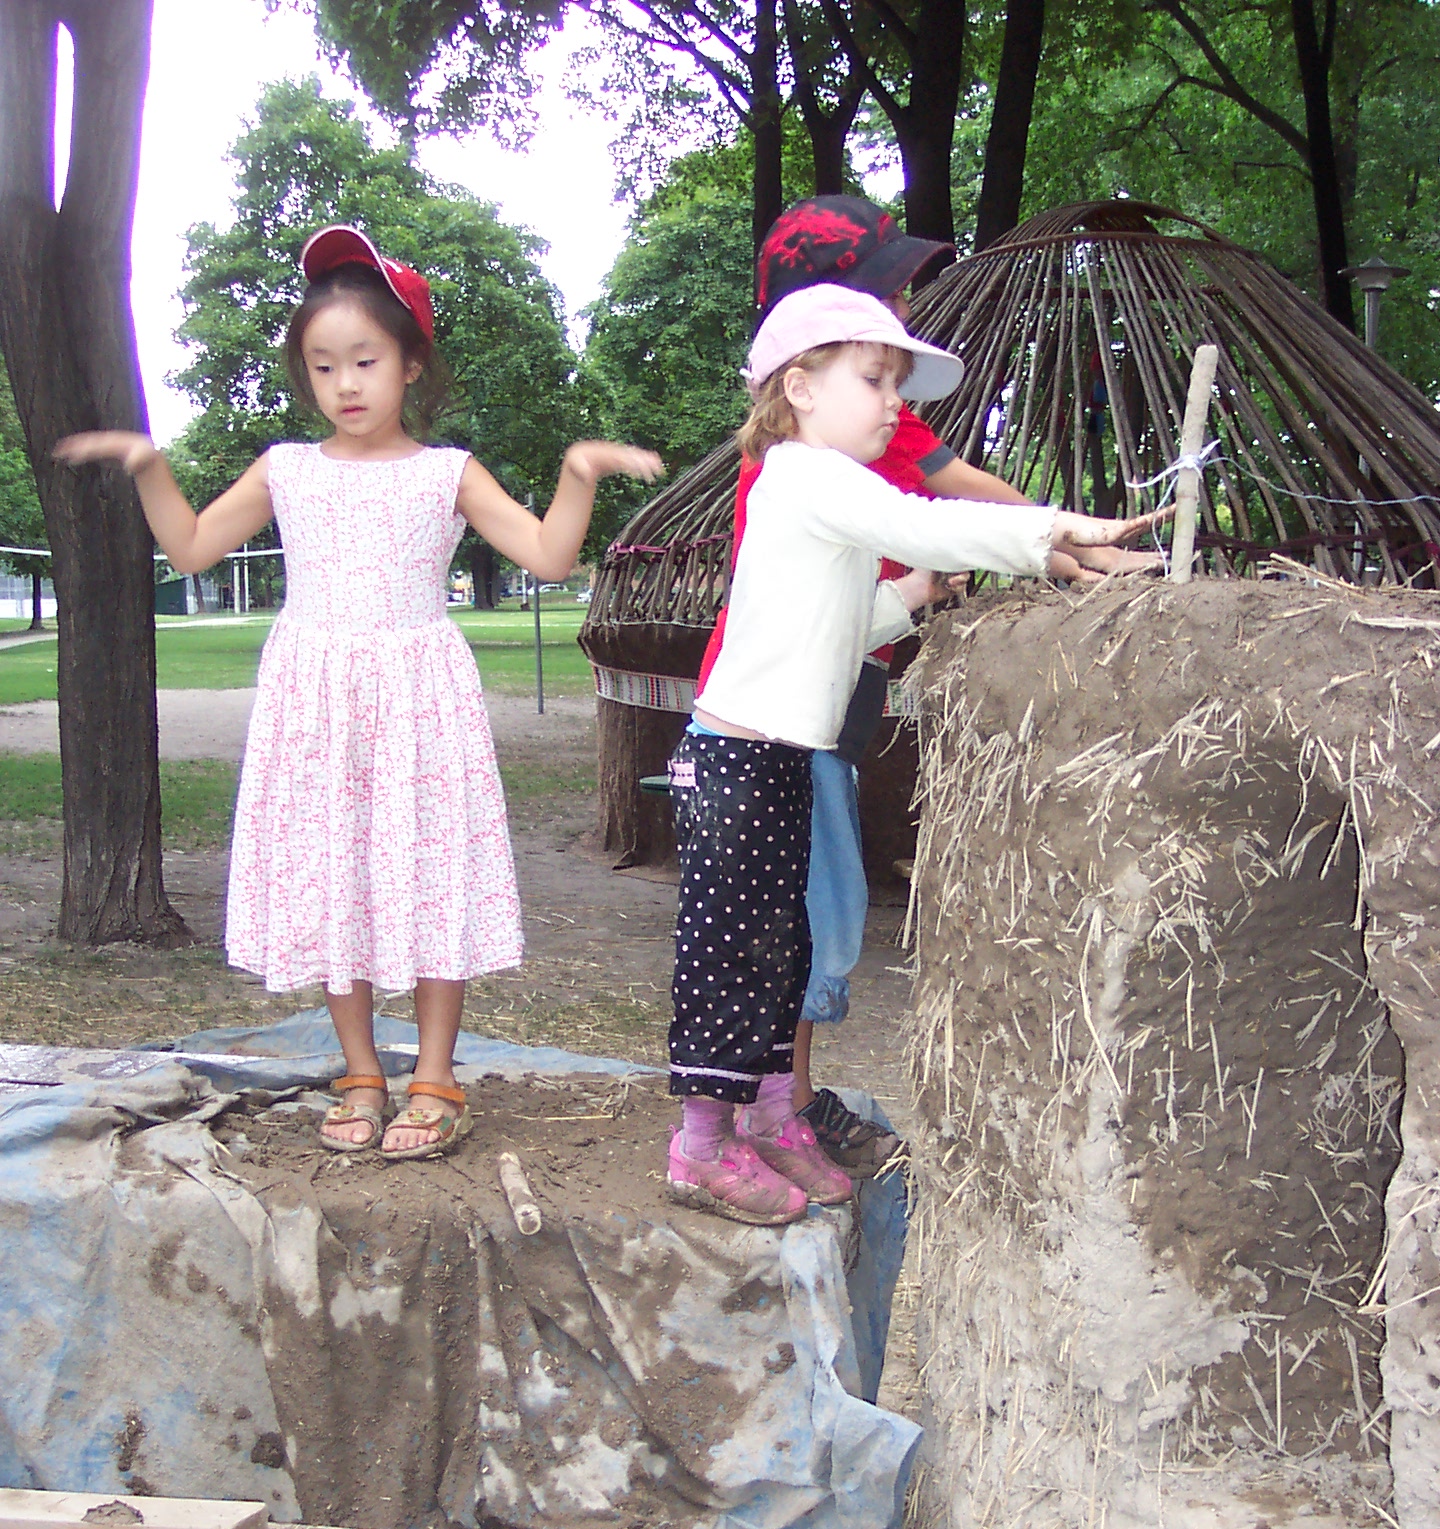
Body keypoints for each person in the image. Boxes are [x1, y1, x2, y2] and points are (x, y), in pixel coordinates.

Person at [56, 226, 661, 1160]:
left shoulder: (446, 471)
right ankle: (361, 1072)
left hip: (419, 698)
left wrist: (577, 473)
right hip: (315, 705)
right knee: (331, 872)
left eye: (366, 360)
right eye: (323, 364)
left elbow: (547, 555)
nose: (345, 383)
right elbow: (191, 548)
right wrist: (149, 465)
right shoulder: (286, 469)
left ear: (410, 364)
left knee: (428, 873)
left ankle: (436, 1075)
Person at [667, 284, 1166, 1226]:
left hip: (779, 759)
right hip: (737, 762)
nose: (895, 402)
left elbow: (836, 625)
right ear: (799, 388)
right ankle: (699, 1146)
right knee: (732, 953)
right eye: (874, 379)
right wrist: (1053, 530)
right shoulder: (805, 474)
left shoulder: (824, 495)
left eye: (897, 383)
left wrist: (915, 594)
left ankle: (769, 1119)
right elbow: (921, 519)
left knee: (782, 948)